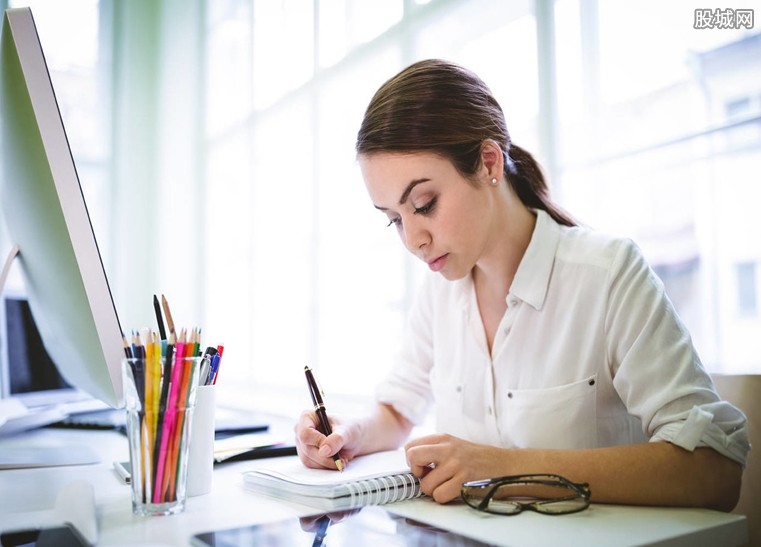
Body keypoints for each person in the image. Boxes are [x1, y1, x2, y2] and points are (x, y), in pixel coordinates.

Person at [294, 59, 750, 511]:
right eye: (394, 219)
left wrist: (505, 469)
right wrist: (347, 433)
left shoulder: (607, 274)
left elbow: (713, 469)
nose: (413, 240)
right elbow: (397, 412)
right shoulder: (440, 293)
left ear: (489, 162)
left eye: (424, 204)